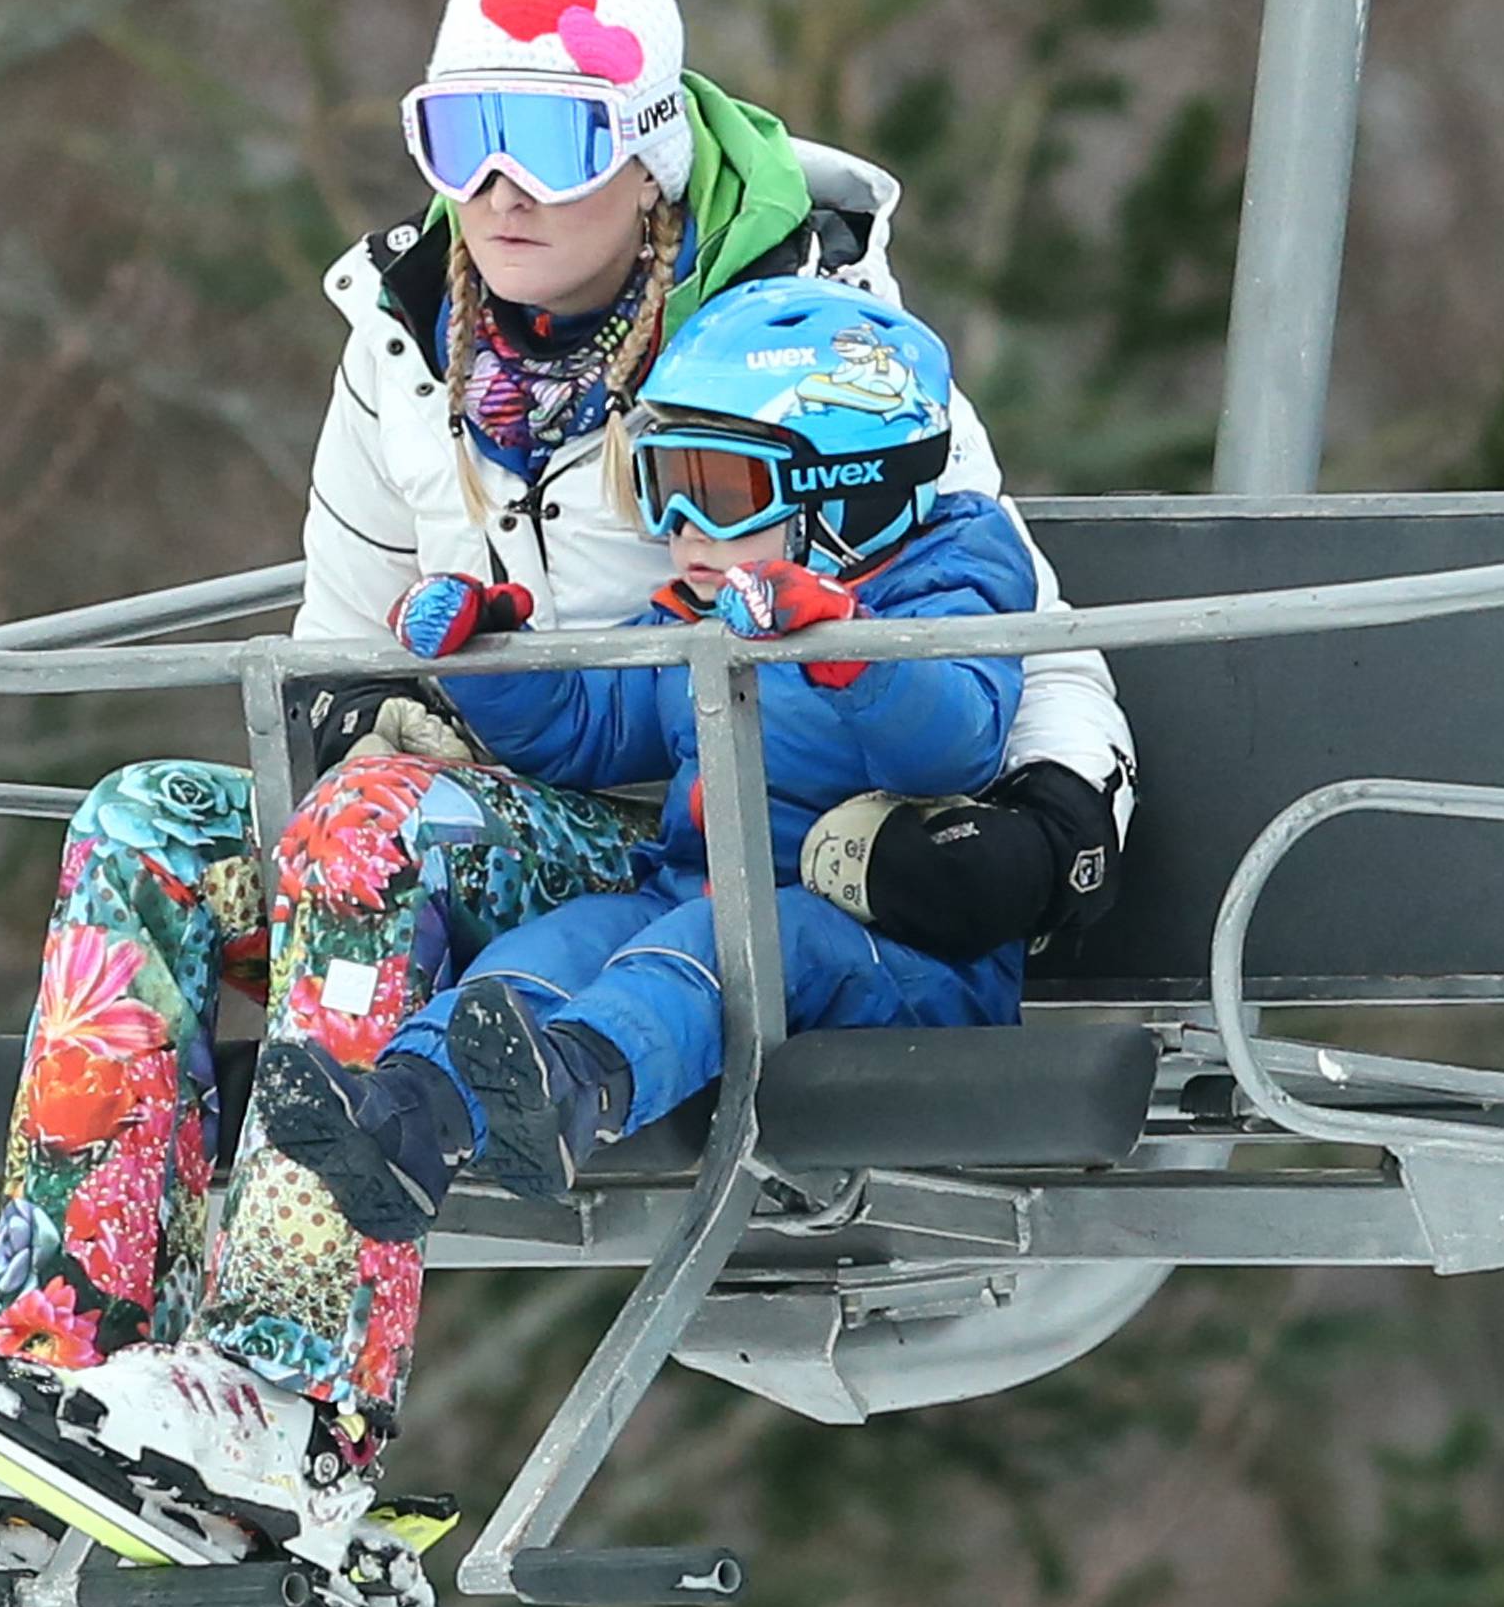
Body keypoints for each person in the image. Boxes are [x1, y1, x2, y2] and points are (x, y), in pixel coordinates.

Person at [0, 0, 1133, 1552]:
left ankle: (289, 1394)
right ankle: (55, 1353)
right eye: (460, 138)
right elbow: (335, 639)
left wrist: (1049, 831)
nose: (499, 191)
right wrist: (385, 700)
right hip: (489, 784)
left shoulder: (806, 340)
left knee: (372, 837)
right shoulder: (402, 338)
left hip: (665, 813)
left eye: (555, 140)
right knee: (152, 822)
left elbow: (1007, 606)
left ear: (648, 149)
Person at [253, 279, 1036, 1240]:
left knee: (722, 945)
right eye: (661, 487)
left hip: (899, 952)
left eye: (719, 491)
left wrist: (844, 647)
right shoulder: (698, 607)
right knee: (557, 944)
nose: (682, 534)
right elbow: (591, 729)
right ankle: (409, 1114)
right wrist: (491, 663)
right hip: (697, 891)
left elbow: (956, 738)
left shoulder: (948, 577)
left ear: (849, 491)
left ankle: (579, 1083)